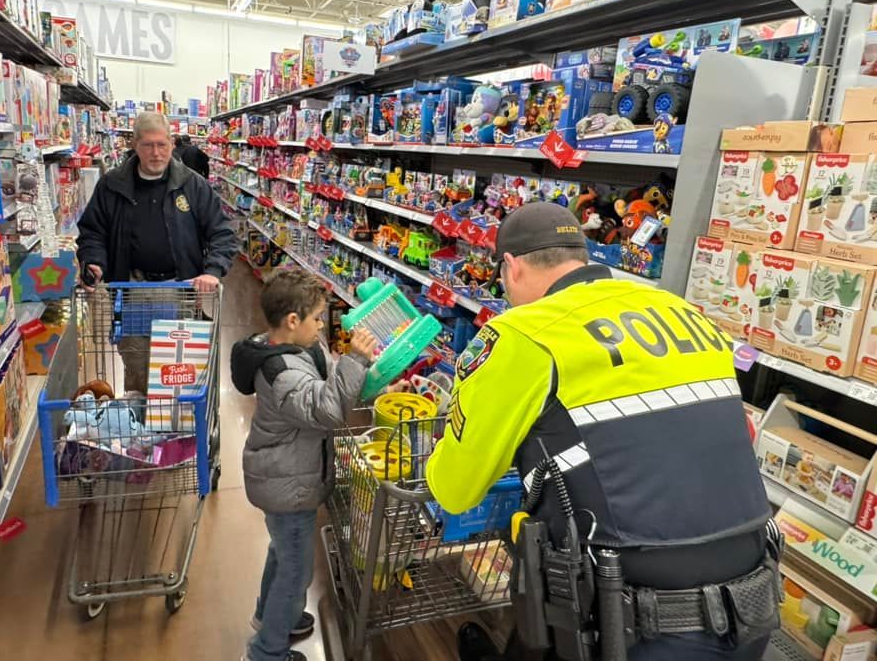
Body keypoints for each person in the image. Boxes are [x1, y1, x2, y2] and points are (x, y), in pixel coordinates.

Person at [426, 203, 776, 661]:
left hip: (632, 623)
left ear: (511, 267)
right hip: (754, 596)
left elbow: (454, 491)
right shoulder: (683, 310)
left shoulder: (524, 334)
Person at [231, 268, 377, 661]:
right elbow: (327, 409)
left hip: (286, 476)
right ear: (292, 321)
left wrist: (371, 376)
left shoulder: (297, 349)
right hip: (286, 484)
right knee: (296, 570)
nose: (322, 326)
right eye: (317, 319)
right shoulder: (281, 372)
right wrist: (355, 359)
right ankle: (266, 651)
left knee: (282, 553)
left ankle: (274, 615)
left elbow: (331, 383)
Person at [76, 111, 237, 392]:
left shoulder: (193, 185)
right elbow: (92, 231)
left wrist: (212, 271)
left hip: (181, 291)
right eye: (148, 145)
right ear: (135, 145)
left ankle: (180, 431)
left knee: (181, 371)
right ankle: (141, 429)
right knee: (139, 368)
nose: (156, 152)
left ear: (172, 144)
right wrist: (94, 261)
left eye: (162, 144)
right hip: (131, 289)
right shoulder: (111, 185)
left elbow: (222, 232)